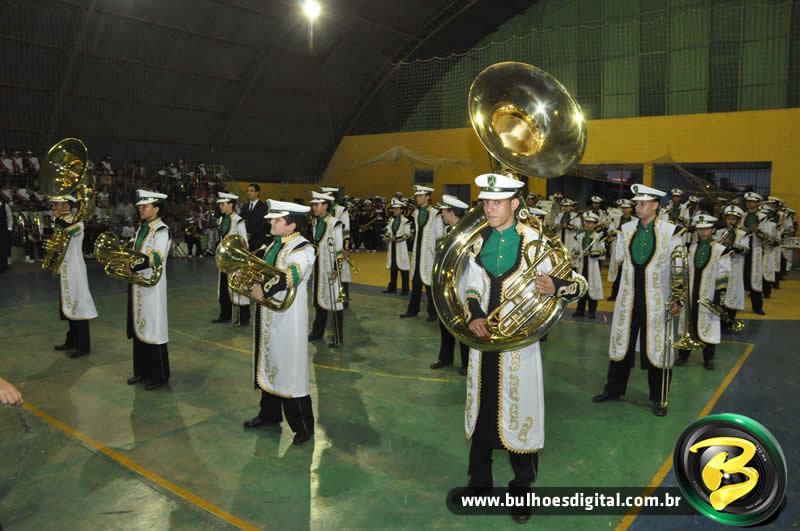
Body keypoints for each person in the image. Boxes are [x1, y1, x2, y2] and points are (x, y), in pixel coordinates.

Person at [458, 174, 585, 524]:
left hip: (519, 348)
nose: (489, 208)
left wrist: (555, 284)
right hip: (484, 342)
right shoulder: (477, 240)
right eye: (486, 202)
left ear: (515, 203)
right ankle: (479, 484)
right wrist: (474, 314)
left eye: (497, 202)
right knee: (482, 411)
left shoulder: (537, 242)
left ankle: (521, 491)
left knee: (521, 418)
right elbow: (471, 285)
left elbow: (579, 284)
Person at [593, 184, 682, 417]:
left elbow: (679, 268)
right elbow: (619, 261)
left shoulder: (671, 232)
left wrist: (678, 299)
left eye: (643, 203)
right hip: (629, 298)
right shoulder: (626, 229)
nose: (638, 207)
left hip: (657, 300)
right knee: (622, 343)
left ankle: (659, 398)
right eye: (637, 203)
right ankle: (613, 389)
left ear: (656, 206)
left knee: (657, 347)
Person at [244, 200, 316, 446]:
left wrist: (262, 289)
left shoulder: (304, 248)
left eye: (277, 220)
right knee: (269, 361)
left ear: (292, 225)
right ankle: (269, 414)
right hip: (269, 315)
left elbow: (292, 275)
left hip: (288, 320)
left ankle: (303, 427)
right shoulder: (273, 245)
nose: (272, 223)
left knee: (290, 369)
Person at [126, 190, 172, 390]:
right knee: (140, 326)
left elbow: (158, 256)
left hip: (152, 286)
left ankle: (159, 376)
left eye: (145, 206)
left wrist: (133, 265)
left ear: (156, 209)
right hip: (138, 283)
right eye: (140, 206)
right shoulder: (142, 229)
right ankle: (142, 371)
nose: (141, 209)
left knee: (154, 328)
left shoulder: (162, 230)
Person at [675, 214, 730, 370]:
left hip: (709, 295)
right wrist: (679, 295)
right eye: (700, 229)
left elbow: (723, 277)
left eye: (706, 229)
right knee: (688, 324)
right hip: (690, 294)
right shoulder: (691, 249)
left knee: (708, 325)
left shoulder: (721, 250)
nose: (702, 232)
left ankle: (708, 358)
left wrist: (719, 300)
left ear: (713, 230)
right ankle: (683, 355)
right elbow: (684, 272)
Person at [50, 195, 97, 357]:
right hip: (65, 270)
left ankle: (83, 346)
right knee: (68, 306)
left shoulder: (78, 223)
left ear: (67, 206)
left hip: (75, 271)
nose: (53, 208)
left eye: (56, 205)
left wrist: (58, 221)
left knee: (79, 306)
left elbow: (68, 232)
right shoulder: (61, 222)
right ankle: (71, 340)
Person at [429, 195, 470, 375]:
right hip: (448, 285)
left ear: (451, 212)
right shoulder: (449, 231)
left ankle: (467, 363)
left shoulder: (465, 234)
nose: (442, 215)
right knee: (445, 322)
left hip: (462, 284)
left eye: (444, 212)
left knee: (462, 325)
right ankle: (445, 358)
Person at [308, 192, 345, 347]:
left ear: (325, 206)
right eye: (313, 205)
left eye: (317, 205)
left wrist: (337, 268)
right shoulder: (316, 222)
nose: (314, 207)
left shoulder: (335, 224)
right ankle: (318, 331)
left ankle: (337, 337)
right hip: (318, 267)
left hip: (330, 268)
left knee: (334, 302)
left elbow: (339, 248)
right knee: (319, 300)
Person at [401, 185, 441, 321]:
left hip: (429, 255)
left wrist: (437, 255)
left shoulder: (436, 214)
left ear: (427, 197)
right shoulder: (416, 213)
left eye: (420, 196)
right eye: (417, 196)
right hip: (417, 253)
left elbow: (439, 236)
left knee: (430, 286)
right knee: (416, 284)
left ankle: (433, 314)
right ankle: (412, 310)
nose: (417, 198)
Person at [213, 192, 250, 327]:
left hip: (236, 261)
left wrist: (241, 260)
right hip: (225, 260)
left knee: (239, 289)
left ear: (231, 205)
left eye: (223, 204)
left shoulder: (238, 221)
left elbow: (244, 242)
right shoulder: (222, 220)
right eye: (220, 204)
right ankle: (225, 315)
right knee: (223, 288)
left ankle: (244, 318)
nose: (220, 206)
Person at [716, 206, 749, 328]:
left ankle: (730, 321)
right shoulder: (719, 232)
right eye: (728, 219)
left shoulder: (743, 234)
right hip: (721, 267)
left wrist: (732, 245)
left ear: (738, 220)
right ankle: (720, 321)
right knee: (721, 294)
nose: (730, 221)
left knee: (733, 293)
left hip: (735, 267)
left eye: (733, 219)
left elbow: (745, 250)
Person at [322, 187, 353, 304]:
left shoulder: (342, 210)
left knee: (342, 271)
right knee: (329, 270)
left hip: (340, 245)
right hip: (326, 246)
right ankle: (329, 297)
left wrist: (345, 247)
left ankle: (343, 298)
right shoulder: (323, 212)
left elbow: (346, 230)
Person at [571, 211, 605, 319]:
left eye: (591, 222)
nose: (588, 224)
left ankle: (592, 311)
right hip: (582, 265)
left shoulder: (599, 237)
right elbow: (574, 249)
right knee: (582, 286)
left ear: (595, 224)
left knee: (593, 287)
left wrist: (591, 253)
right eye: (586, 222)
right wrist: (575, 254)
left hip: (593, 265)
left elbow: (603, 251)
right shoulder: (579, 236)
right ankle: (580, 310)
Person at [742, 192, 766, 315]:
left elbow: (768, 237)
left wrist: (757, 231)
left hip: (755, 250)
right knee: (740, 277)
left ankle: (757, 307)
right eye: (748, 201)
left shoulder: (762, 217)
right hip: (742, 249)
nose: (750, 204)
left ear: (758, 203)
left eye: (753, 202)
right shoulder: (742, 215)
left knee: (755, 278)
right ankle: (735, 305)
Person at [606, 199, 635, 300]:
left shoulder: (635, 220)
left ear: (631, 209)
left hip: (631, 247)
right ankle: (614, 294)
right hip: (617, 246)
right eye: (623, 208)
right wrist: (614, 232)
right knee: (617, 271)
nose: (624, 210)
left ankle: (627, 295)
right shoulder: (616, 219)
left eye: (626, 208)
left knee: (628, 271)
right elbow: (610, 231)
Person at [383, 198, 411, 295]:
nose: (394, 210)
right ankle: (392, 287)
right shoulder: (391, 220)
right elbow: (388, 230)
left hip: (401, 247)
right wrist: (387, 236)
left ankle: (405, 289)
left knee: (404, 268)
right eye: (394, 209)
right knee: (393, 268)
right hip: (392, 247)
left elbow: (407, 234)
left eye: (397, 209)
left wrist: (395, 239)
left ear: (401, 210)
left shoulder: (406, 221)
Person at [241, 183, 268, 251]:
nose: (248, 193)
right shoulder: (244, 206)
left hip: (257, 240)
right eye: (248, 191)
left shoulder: (263, 207)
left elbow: (262, 224)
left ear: (257, 192)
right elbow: (242, 220)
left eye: (251, 191)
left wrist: (250, 234)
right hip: (245, 239)